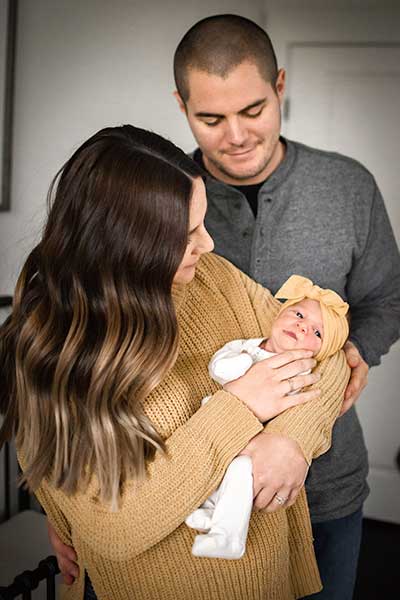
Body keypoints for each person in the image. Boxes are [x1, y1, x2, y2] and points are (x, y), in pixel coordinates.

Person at [0, 125, 350, 600]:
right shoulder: (57, 351)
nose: (207, 244)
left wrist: (291, 440)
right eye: (187, 235)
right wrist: (241, 406)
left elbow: (326, 354)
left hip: (267, 579)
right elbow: (115, 526)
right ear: (127, 246)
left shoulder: (211, 276)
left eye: (202, 223)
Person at [172, 14, 400, 599]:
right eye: (211, 119)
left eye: (252, 110)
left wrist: (352, 350)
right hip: (191, 494)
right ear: (181, 106)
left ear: (279, 85)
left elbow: (387, 296)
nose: (236, 136)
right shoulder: (161, 195)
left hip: (325, 489)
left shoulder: (348, 186)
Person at [186, 275, 349, 560]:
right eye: (298, 314)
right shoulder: (246, 346)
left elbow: (303, 404)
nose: (302, 325)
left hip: (252, 437)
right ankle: (212, 511)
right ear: (279, 313)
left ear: (320, 352)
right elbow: (219, 367)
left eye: (317, 332)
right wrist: (240, 367)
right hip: (219, 421)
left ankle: (228, 538)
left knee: (239, 472)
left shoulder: (299, 370)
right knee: (211, 465)